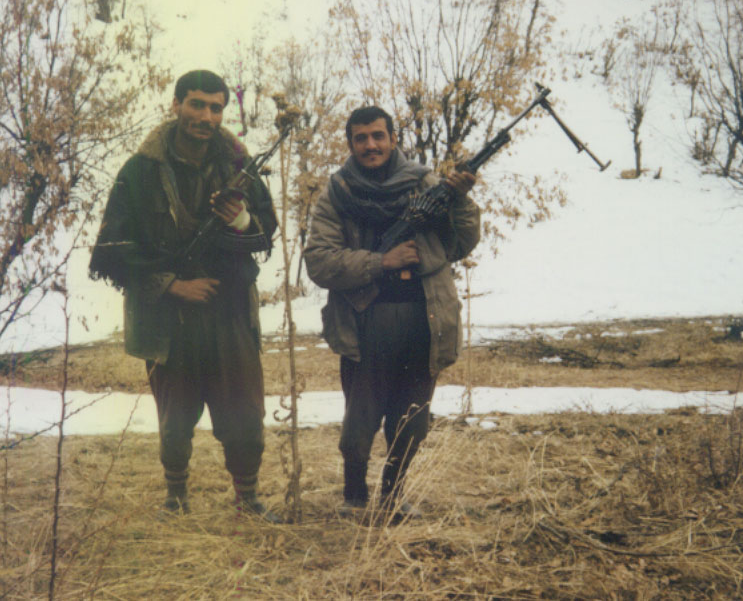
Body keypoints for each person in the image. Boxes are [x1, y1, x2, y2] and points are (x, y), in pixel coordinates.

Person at [89, 70, 280, 522]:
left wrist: (240, 221)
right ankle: (175, 500)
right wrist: (172, 286)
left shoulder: (240, 168)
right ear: (176, 105)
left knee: (244, 412)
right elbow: (111, 251)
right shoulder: (140, 172)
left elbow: (266, 230)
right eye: (196, 104)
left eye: (216, 108)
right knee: (175, 417)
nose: (206, 116)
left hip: (230, 311)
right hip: (168, 318)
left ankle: (248, 499)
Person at [303, 106, 480, 517]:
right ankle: (354, 496)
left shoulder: (425, 184)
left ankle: (394, 495)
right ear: (350, 144)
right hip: (365, 321)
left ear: (393, 139)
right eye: (361, 138)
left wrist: (460, 200)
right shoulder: (338, 193)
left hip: (424, 317)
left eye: (378, 136)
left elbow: (460, 244)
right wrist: (381, 261)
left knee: (412, 417)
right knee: (360, 418)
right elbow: (319, 261)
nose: (371, 145)